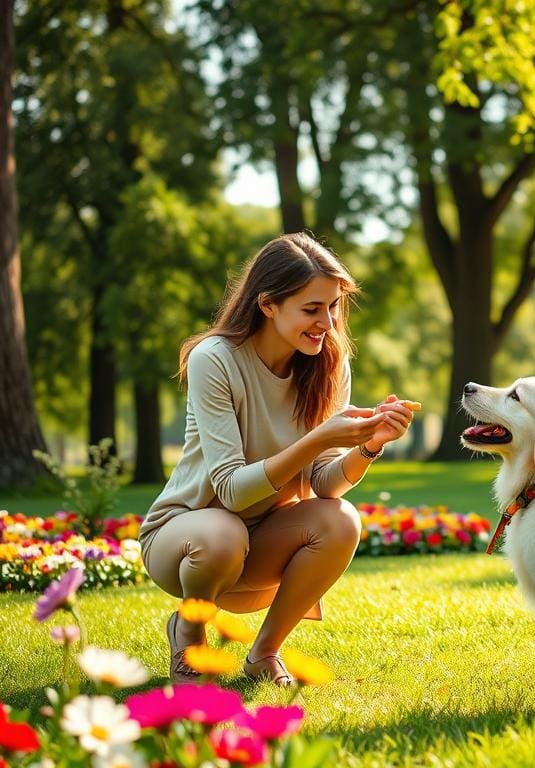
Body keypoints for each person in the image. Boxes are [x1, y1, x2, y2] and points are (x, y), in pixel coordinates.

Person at [139, 232, 416, 686]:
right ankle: (189, 630)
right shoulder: (216, 359)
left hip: (263, 543)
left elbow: (325, 484)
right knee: (222, 532)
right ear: (267, 305)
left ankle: (264, 653)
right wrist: (318, 438)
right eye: (312, 309)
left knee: (342, 519)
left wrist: (369, 445)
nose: (326, 322)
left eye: (333, 307)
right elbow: (228, 489)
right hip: (189, 537)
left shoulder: (329, 363)